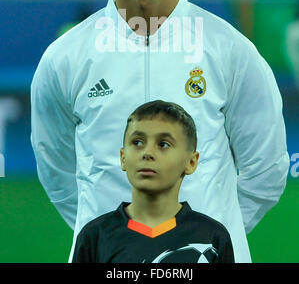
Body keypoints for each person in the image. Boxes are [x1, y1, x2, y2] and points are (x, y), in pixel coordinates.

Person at [31, 0, 289, 263]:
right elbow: (58, 174)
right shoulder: (65, 57)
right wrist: (117, 241)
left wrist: (207, 233)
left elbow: (266, 170)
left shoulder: (230, 50)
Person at [72, 100, 235, 263]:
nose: (147, 153)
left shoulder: (212, 237)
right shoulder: (94, 237)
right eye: (137, 142)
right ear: (122, 158)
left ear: (191, 162)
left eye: (163, 144)